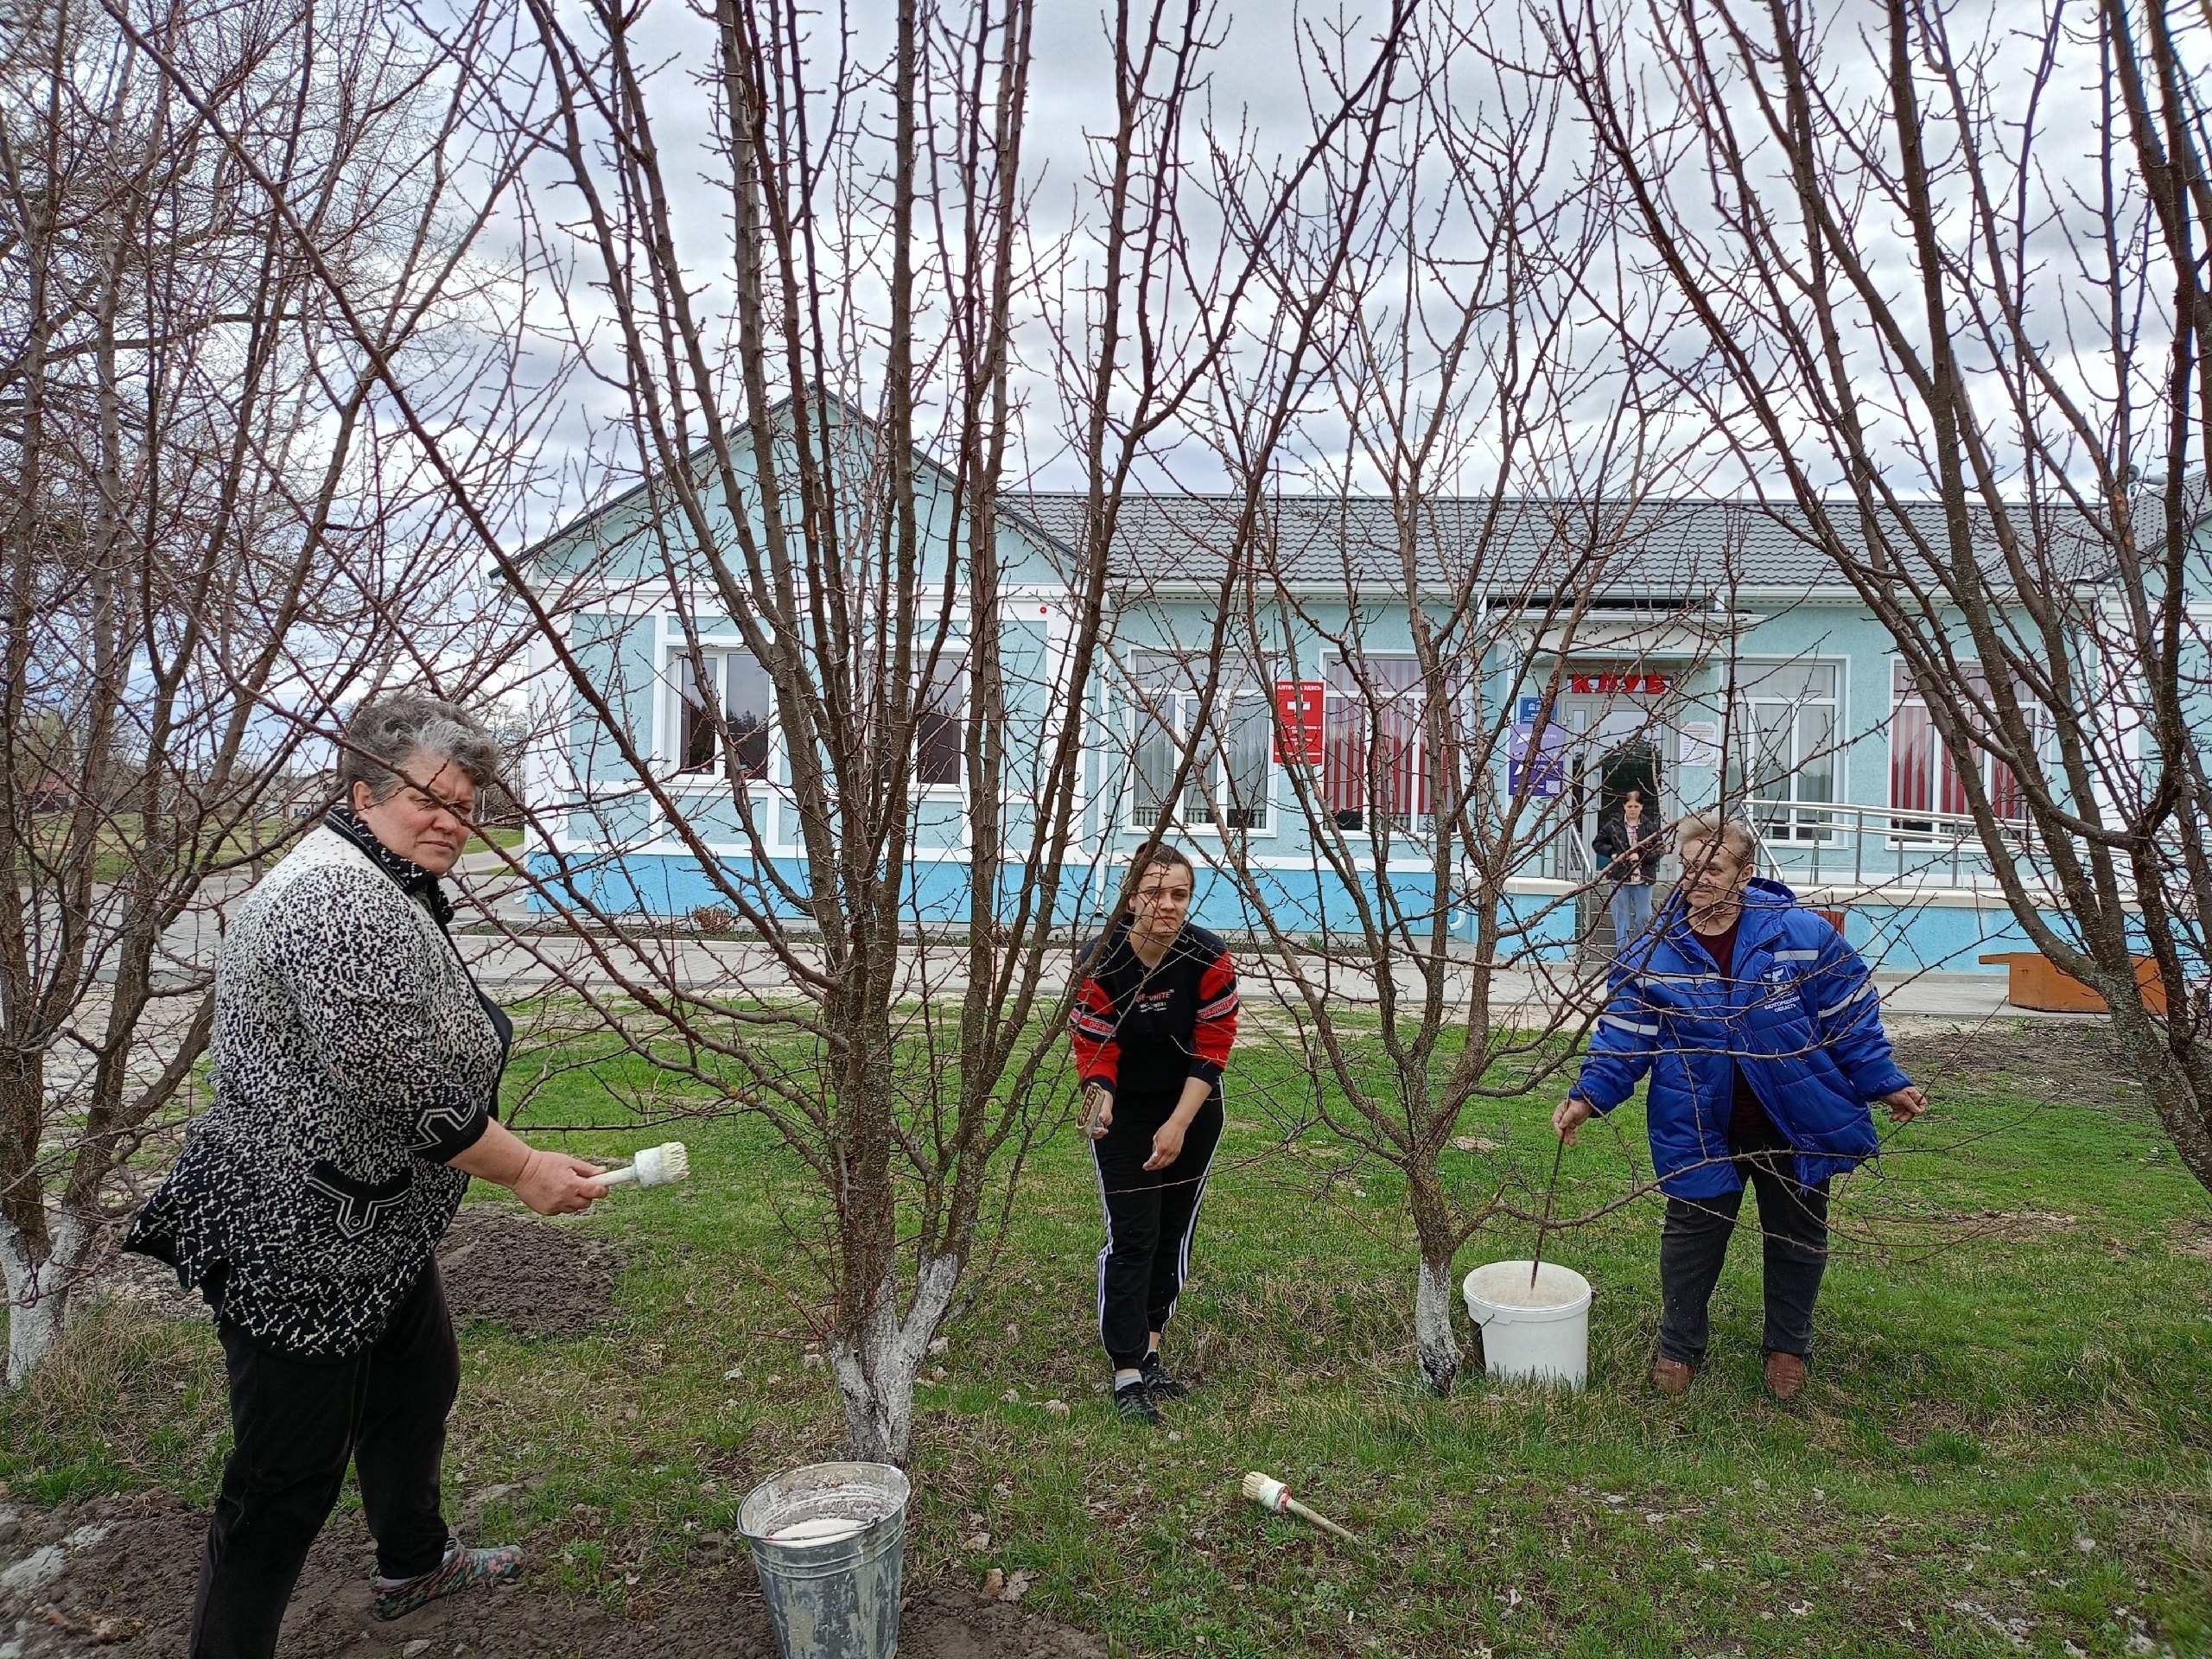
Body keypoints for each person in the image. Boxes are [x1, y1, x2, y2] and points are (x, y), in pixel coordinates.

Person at [126, 695, 608, 1659]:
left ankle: (413, 1563)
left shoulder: (376, 877)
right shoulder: (336, 898)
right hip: (298, 1235)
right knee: (283, 1481)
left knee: (415, 1388)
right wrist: (522, 1170)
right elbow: (396, 1085)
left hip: (371, 1229)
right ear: (363, 793)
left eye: (466, 806)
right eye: (430, 799)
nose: (450, 821)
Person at [1551, 810, 1928, 1401]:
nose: (1698, 878)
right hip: (1700, 1123)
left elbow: (1848, 1019)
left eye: (1715, 867)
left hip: (1792, 1121)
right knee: (1689, 1244)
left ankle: (1787, 1348)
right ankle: (1678, 1348)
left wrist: (1884, 1081)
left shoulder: (1801, 936)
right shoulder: (1653, 949)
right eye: (1689, 866)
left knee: (1798, 1238)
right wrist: (1589, 1096)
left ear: (1745, 873)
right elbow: (1625, 1035)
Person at [1069, 842, 1238, 1426]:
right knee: (1133, 1235)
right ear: (1131, 894)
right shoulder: (1101, 960)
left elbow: (1213, 1050)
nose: (1167, 905)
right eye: (1154, 892)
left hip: (1191, 1106)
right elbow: (1095, 1046)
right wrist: (1102, 1099)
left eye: (1179, 894)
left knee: (1171, 1232)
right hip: (1125, 1110)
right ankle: (1125, 1371)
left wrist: (1178, 1123)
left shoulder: (1208, 957)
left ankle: (1152, 1351)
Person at [1591, 786, 1662, 947]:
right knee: (1621, 918)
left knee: (1644, 917)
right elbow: (1597, 843)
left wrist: (1642, 857)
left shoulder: (1650, 827)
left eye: (1636, 806)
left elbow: (1660, 850)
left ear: (1641, 807)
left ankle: (1639, 948)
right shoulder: (1613, 826)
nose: (1633, 809)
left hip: (1643, 879)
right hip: (1619, 879)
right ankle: (1621, 954)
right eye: (1630, 806)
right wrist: (1612, 853)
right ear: (1624, 806)